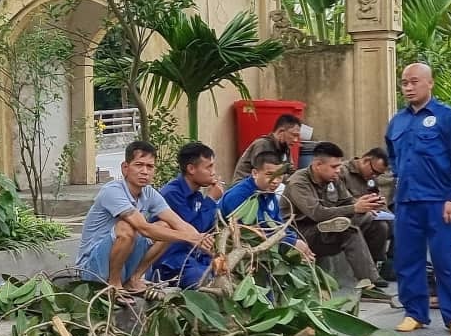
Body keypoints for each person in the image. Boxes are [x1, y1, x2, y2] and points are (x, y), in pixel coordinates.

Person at [385, 63, 451, 336]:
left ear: (429, 83)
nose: (408, 87)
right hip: (408, 201)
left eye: (414, 82)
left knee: (447, 258)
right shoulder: (397, 121)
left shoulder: (448, 118)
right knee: (407, 259)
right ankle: (415, 313)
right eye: (404, 83)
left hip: (440, 201)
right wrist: (400, 176)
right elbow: (392, 155)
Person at [77, 139, 208, 290]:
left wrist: (204, 242)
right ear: (125, 168)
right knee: (127, 227)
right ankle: (114, 285)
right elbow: (143, 228)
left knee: (166, 226)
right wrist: (188, 237)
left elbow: (178, 223)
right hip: (91, 269)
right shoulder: (112, 191)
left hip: (122, 266)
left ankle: (134, 278)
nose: (145, 171)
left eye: (150, 166)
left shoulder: (149, 193)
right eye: (139, 165)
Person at [283, 142, 389, 298]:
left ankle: (371, 273)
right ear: (318, 165)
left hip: (324, 227)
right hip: (300, 233)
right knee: (349, 231)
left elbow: (347, 201)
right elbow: (317, 214)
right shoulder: (299, 182)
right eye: (334, 167)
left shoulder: (333, 179)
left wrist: (367, 203)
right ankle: (369, 282)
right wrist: (354, 208)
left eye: (339, 166)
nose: (338, 170)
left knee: (374, 223)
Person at [152, 141, 257, 288]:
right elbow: (192, 231)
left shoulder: (197, 195)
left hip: (197, 258)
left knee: (235, 275)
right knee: (207, 281)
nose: (213, 172)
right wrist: (211, 199)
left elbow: (208, 230)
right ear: (191, 169)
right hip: (173, 262)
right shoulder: (172, 194)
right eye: (209, 167)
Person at [338, 147, 395, 275]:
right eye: (374, 172)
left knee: (398, 223)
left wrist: (380, 204)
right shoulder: (342, 171)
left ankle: (390, 264)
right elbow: (340, 199)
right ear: (366, 161)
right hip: (348, 213)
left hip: (369, 213)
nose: (375, 176)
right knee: (380, 227)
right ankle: (372, 268)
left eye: (379, 174)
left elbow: (374, 196)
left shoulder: (370, 178)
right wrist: (362, 205)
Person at [231, 112, 304, 179]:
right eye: (294, 135)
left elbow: (290, 171)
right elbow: (268, 176)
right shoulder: (263, 145)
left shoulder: (285, 147)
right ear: (281, 131)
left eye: (298, 136)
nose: (295, 140)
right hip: (247, 188)